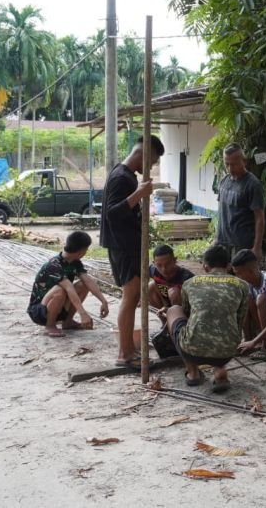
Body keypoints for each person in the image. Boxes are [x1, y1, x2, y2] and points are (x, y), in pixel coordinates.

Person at [100, 134, 164, 368]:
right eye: (152, 161)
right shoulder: (121, 177)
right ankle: (124, 353)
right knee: (130, 297)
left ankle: (128, 349)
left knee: (134, 296)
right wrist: (138, 194)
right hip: (123, 246)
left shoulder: (126, 175)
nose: (151, 167)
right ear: (143, 154)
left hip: (128, 244)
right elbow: (112, 214)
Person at [163, 245, 249, 393]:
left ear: (204, 266)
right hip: (227, 352)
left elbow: (188, 316)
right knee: (225, 325)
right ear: (229, 266)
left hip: (192, 351)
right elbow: (240, 320)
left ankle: (193, 373)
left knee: (173, 310)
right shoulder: (242, 286)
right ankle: (220, 370)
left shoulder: (190, 283)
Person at [27, 231, 110, 337]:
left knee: (83, 285)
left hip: (60, 307)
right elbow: (69, 288)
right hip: (39, 312)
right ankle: (50, 325)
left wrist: (103, 301)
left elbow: (88, 281)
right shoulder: (54, 265)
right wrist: (83, 313)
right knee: (59, 290)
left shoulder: (75, 262)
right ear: (81, 251)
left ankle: (68, 321)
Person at [215, 143, 265, 260]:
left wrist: (257, 247)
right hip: (222, 242)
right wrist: (216, 238)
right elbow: (221, 212)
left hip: (242, 245)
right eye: (226, 164)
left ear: (244, 161)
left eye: (234, 164)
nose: (230, 168)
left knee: (240, 272)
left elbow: (260, 218)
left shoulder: (253, 184)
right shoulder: (224, 181)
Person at [148, 244, 194, 309]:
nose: (163, 269)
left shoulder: (187, 277)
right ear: (154, 263)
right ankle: (160, 314)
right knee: (150, 286)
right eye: (159, 265)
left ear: (175, 260)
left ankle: (176, 315)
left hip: (181, 307)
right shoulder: (152, 270)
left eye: (168, 264)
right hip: (164, 303)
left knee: (174, 292)